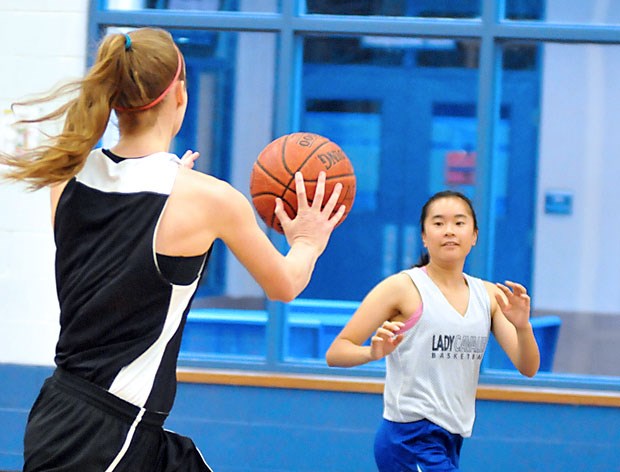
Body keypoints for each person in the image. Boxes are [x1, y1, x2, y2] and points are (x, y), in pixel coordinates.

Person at [0, 28, 345, 471]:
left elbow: (113, 238)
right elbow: (285, 284)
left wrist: (172, 181)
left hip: (73, 415)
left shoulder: (66, 176)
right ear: (180, 94)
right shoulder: (207, 199)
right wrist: (308, 240)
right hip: (106, 437)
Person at [325, 190, 540, 472]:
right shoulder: (402, 287)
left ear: (474, 235)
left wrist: (523, 327)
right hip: (410, 437)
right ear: (424, 237)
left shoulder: (487, 295)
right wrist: (371, 352)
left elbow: (528, 367)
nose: (449, 231)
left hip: (450, 438)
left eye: (459, 223)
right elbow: (336, 352)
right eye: (438, 223)